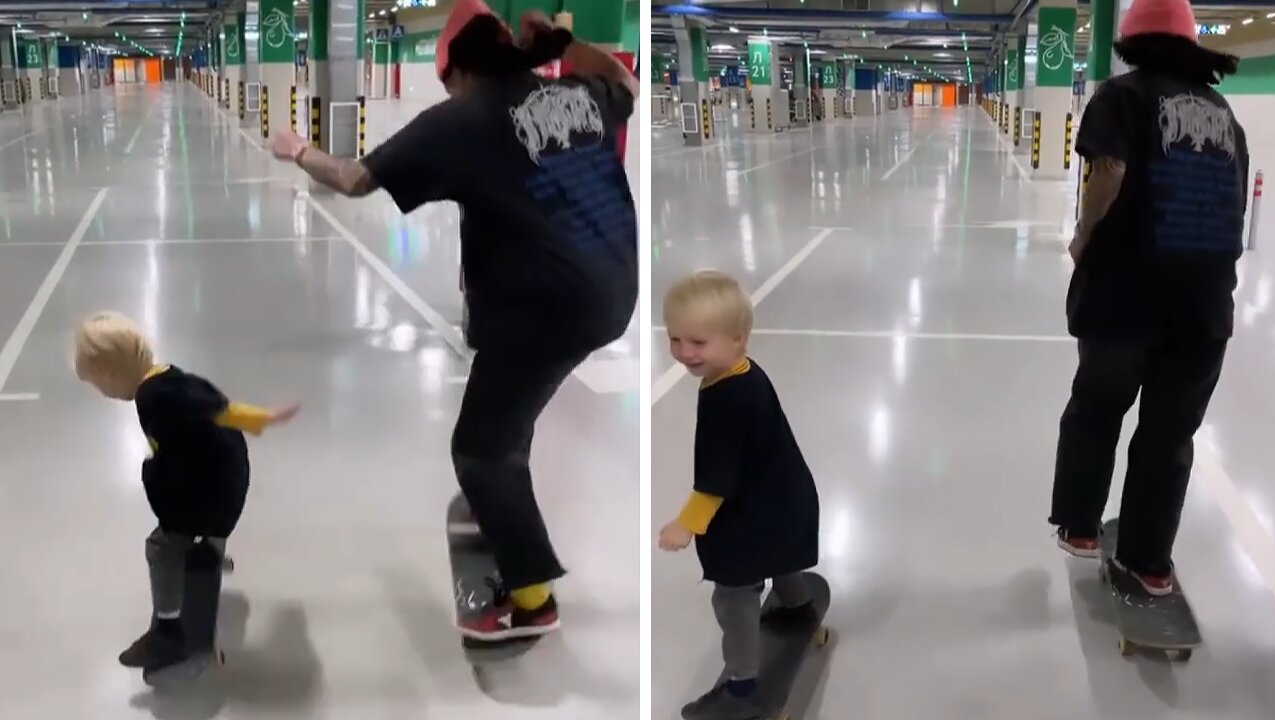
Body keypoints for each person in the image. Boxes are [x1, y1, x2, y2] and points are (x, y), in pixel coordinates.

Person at [268, 0, 638, 641]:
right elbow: (627, 85)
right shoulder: (578, 92)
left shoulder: (462, 119)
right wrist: (562, 48)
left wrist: (299, 150)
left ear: (456, 73)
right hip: (611, 292)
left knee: (477, 450)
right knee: (508, 419)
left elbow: (355, 179)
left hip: (544, 309)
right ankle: (505, 481)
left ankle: (531, 600)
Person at [1048, 0, 1249, 596]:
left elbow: (1107, 169)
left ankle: (1083, 530)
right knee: (1168, 437)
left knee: (1097, 410)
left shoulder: (1122, 96)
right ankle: (1148, 562)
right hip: (1204, 305)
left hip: (1124, 296)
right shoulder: (1224, 112)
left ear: (1131, 43)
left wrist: (1084, 237)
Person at [73, 311, 299, 671]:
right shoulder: (168, 377)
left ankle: (168, 632)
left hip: (212, 494)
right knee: (175, 493)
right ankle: (208, 550)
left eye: (99, 385)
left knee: (160, 548)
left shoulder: (154, 397)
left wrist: (261, 418)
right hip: (227, 477)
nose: (103, 394)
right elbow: (214, 407)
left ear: (111, 373)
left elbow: (213, 414)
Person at [657, 271, 820, 720]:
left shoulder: (728, 398)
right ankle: (796, 604)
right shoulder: (742, 371)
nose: (685, 352)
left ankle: (742, 686)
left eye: (698, 342)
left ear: (737, 340)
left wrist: (685, 525)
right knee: (781, 551)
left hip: (755, 512)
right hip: (784, 497)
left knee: (734, 596)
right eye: (676, 339)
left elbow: (715, 481)